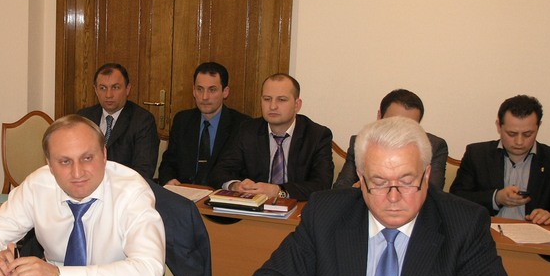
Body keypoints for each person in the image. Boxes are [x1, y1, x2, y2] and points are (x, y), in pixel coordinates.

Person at [248, 117, 519, 276]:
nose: (393, 197)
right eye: (378, 182)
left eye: (406, 181)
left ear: (426, 176)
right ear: (360, 177)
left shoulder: (463, 223)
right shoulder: (326, 213)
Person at [0, 115, 165, 276]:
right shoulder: (37, 186)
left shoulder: (131, 192)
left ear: (104, 156)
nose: (77, 173)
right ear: (49, 164)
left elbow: (149, 269)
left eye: (87, 158)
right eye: (64, 161)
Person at [209, 73, 333, 201]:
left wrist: (279, 191)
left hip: (299, 208)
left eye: (281, 100)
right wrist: (235, 186)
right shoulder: (247, 130)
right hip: (254, 208)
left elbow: (322, 184)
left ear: (297, 105)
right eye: (267, 99)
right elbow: (219, 171)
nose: (273, 106)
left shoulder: (317, 135)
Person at [450, 95, 550, 225]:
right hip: (486, 232)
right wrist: (496, 198)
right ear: (499, 126)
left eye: (527, 134)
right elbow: (456, 198)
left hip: (536, 235)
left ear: (538, 126)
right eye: (511, 134)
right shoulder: (477, 154)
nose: (519, 141)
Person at [333, 89, 448, 189]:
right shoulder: (362, 143)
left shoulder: (434, 147)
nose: (399, 131)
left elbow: (433, 193)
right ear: (379, 116)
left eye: (409, 125)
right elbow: (341, 188)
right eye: (392, 123)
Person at [157, 62, 249, 186]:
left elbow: (244, 171)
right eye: (199, 89)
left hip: (220, 193)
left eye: (212, 90)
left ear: (225, 92)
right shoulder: (182, 120)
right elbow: (168, 163)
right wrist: (169, 180)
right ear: (193, 91)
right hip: (184, 192)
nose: (204, 97)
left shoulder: (242, 125)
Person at [78, 63, 159, 179]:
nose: (108, 95)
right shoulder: (84, 117)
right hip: (85, 183)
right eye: (103, 88)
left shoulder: (142, 120)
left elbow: (143, 171)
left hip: (124, 186)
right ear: (95, 90)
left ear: (127, 89)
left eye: (115, 87)